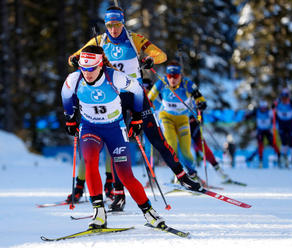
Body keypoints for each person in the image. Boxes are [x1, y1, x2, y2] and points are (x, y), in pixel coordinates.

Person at [66, 6, 202, 210]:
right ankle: (118, 195)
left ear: (123, 23)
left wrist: (149, 59)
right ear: (106, 25)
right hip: (114, 100)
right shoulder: (99, 41)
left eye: (117, 24)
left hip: (137, 96)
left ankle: (183, 177)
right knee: (117, 146)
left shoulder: (134, 39)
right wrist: (76, 60)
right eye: (110, 25)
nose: (113, 29)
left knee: (156, 137)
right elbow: (73, 58)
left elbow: (161, 55)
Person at [61, 45, 165, 229]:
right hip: (90, 127)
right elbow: (66, 94)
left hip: (115, 128)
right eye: (84, 69)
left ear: (100, 65)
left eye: (92, 68)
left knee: (125, 175)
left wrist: (137, 117)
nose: (88, 73)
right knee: (90, 161)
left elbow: (138, 90)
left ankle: (149, 212)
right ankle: (99, 212)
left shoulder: (114, 77)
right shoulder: (75, 79)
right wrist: (70, 117)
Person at [148, 60, 207, 181]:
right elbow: (149, 97)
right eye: (170, 76)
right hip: (166, 117)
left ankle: (192, 174)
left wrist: (201, 104)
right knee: (172, 146)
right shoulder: (162, 82)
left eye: (175, 76)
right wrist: (146, 106)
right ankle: (178, 175)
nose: (172, 79)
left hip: (183, 119)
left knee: (186, 150)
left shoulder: (187, 84)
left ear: (180, 75)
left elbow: (200, 98)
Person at [189, 114, 230, 181]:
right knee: (182, 152)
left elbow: (201, 109)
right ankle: (179, 176)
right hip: (182, 125)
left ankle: (221, 173)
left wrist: (200, 111)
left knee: (206, 150)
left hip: (195, 128)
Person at [245, 100, 280, 168]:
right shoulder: (257, 111)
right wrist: (247, 116)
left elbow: (275, 116)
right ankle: (260, 160)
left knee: (273, 143)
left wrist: (274, 110)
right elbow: (250, 115)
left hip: (267, 130)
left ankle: (279, 156)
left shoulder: (269, 112)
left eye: (264, 108)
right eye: (262, 108)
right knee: (260, 145)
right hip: (260, 131)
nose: (263, 109)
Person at [272, 88, 292, 168]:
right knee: (284, 142)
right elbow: (273, 107)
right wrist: (273, 106)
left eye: (286, 97)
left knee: (291, 142)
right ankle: (283, 158)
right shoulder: (278, 103)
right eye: (283, 97)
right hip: (282, 124)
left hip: (290, 124)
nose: (284, 99)